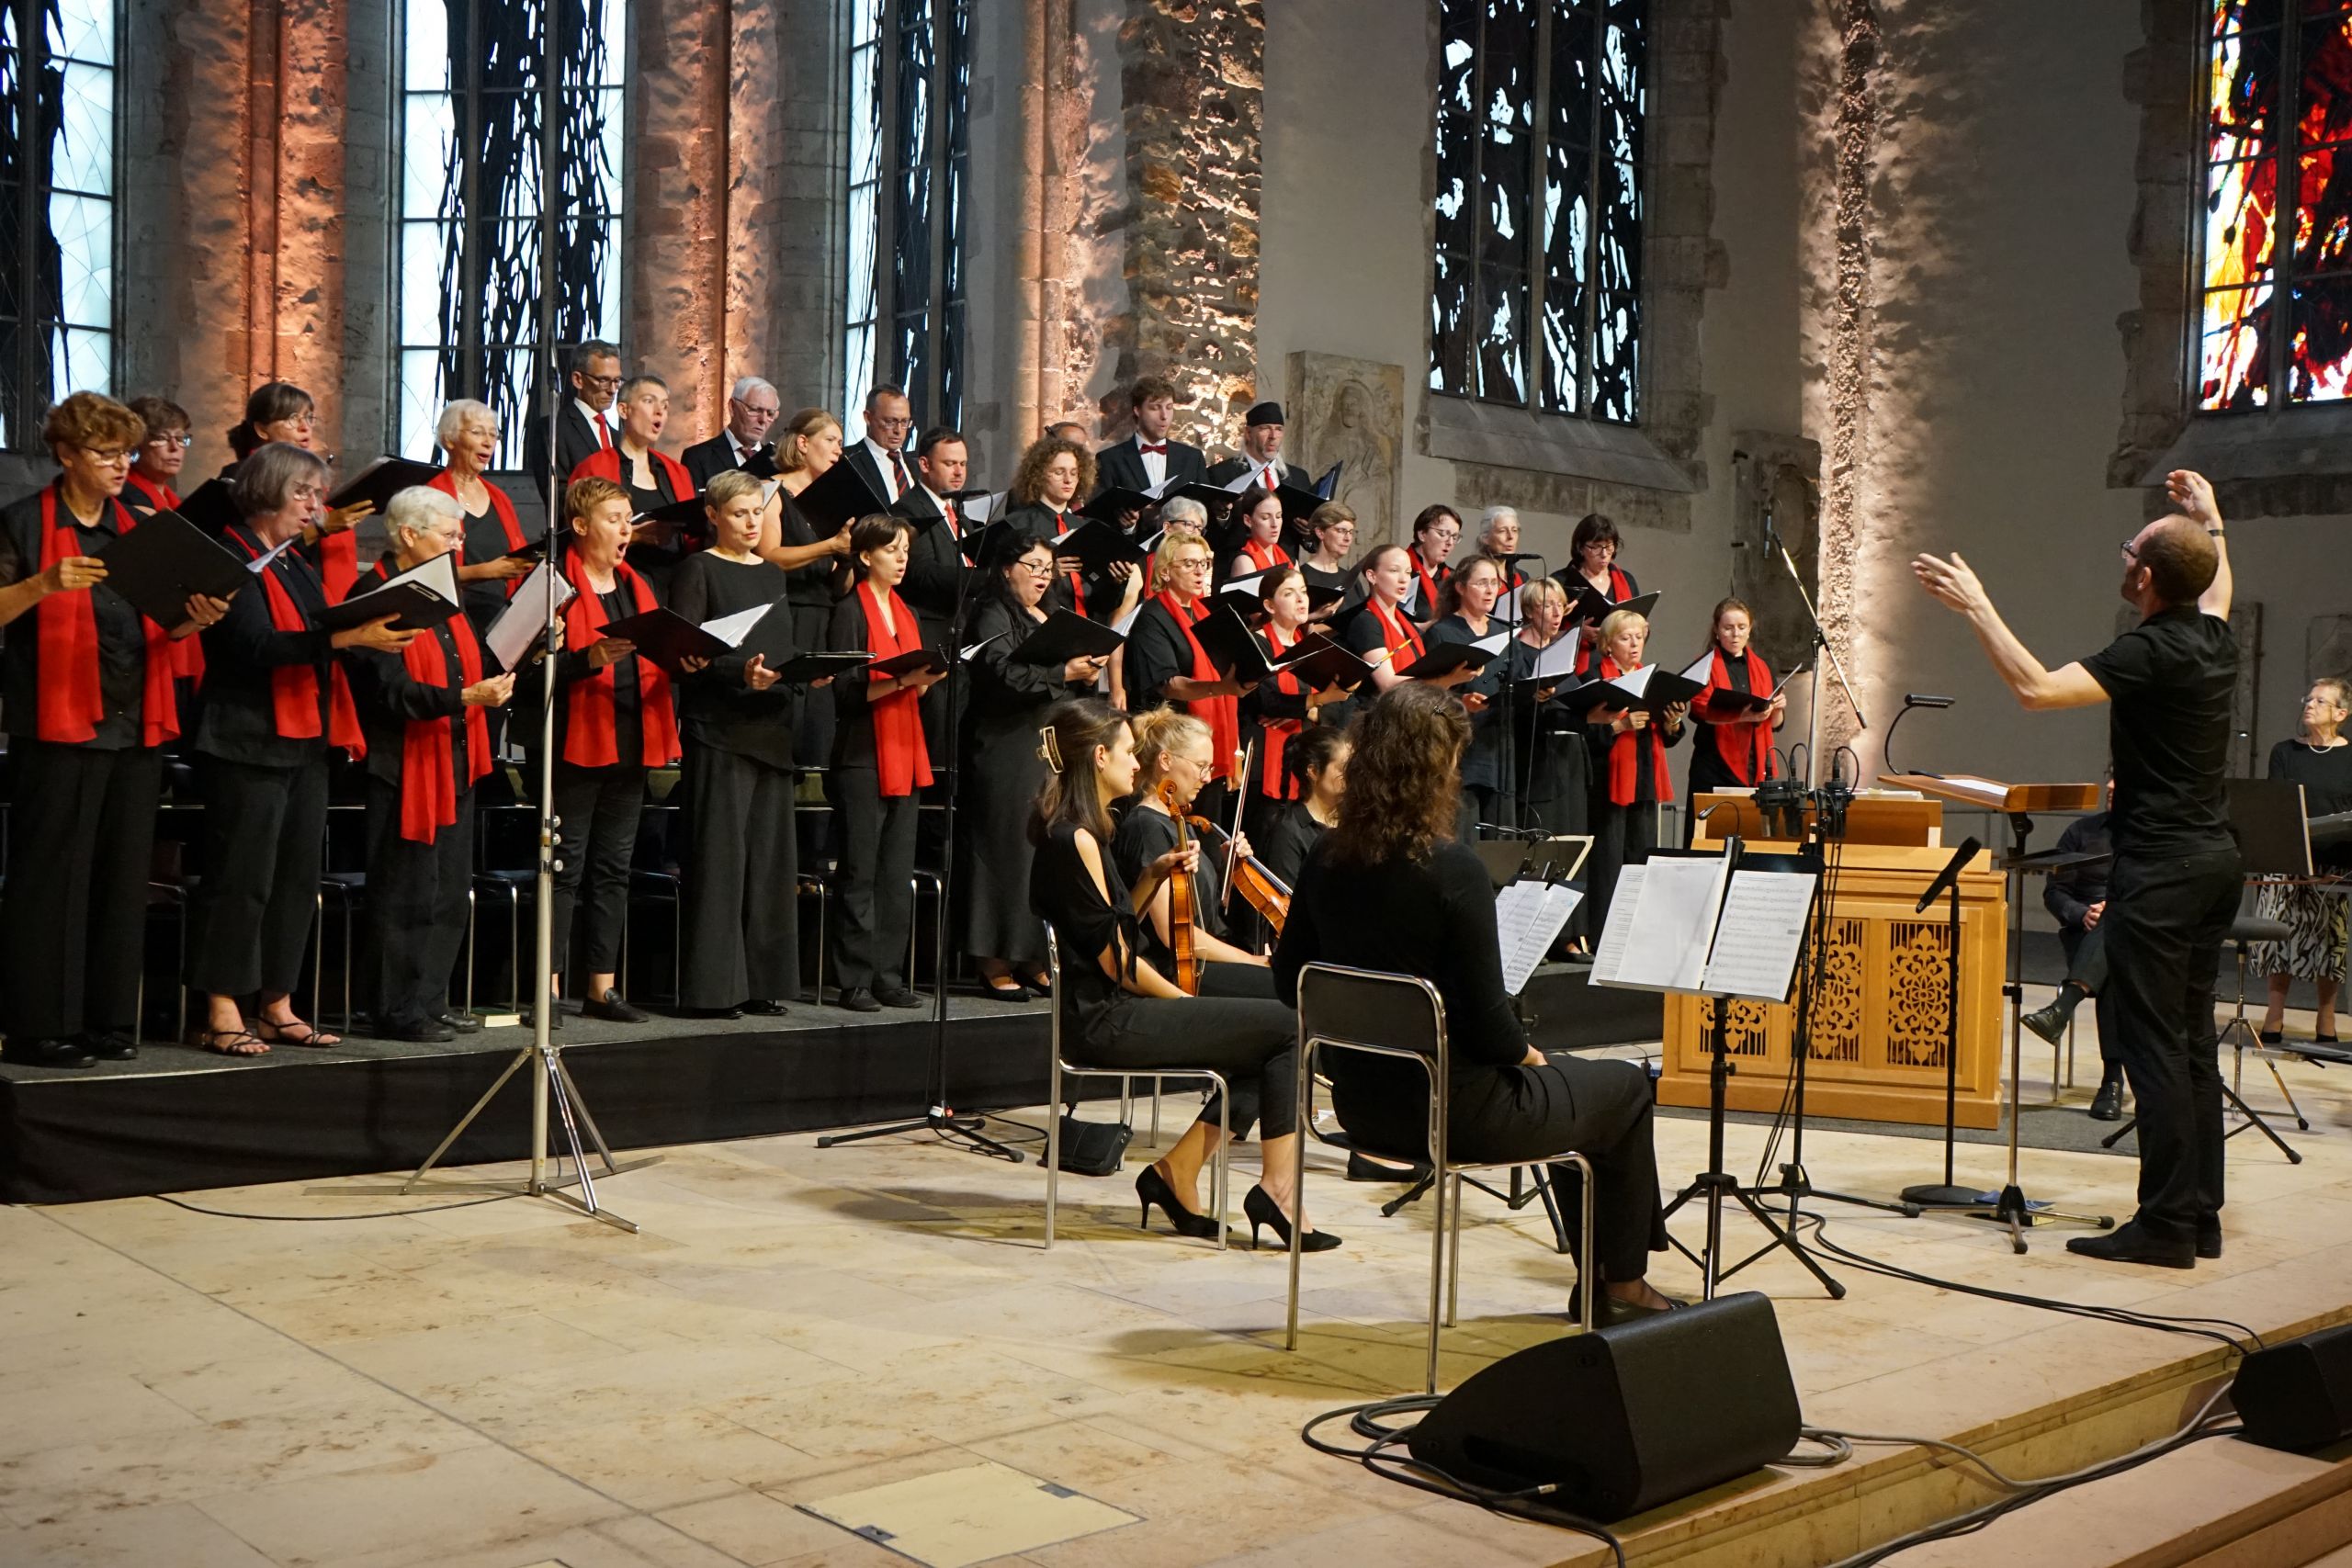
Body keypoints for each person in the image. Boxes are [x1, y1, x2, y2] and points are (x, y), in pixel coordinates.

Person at [1913, 468, 2238, 1269]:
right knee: (2192, 1042)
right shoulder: (2213, 636)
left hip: (2161, 870)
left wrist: (1977, 606)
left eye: (2132, 550)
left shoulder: (2151, 647)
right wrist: (2214, 521)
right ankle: (2197, 1214)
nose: (2123, 558)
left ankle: (2163, 1226)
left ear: (2146, 578)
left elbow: (2035, 689)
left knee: (2155, 1046)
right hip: (2215, 863)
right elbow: (2218, 581)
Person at [1272, 683, 1672, 1315]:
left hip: (1362, 1110)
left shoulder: (1325, 854)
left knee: (1576, 1079)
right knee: (1621, 1087)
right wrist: (1530, 1055)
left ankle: (1603, 1276)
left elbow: (1289, 977)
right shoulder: (1451, 868)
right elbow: (1490, 1029)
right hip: (1455, 1111)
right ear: (1436, 771)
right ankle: (1618, 1285)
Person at [1029, 698, 1330, 1250]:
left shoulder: (1084, 833)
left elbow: (1115, 931)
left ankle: (1179, 1173)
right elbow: (1118, 964)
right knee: (1287, 1027)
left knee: (1270, 1036)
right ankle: (1278, 1189)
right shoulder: (1074, 839)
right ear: (1099, 758)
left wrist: (1147, 878)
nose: (1135, 762)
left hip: (1110, 1007)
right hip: (1104, 1020)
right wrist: (1180, 1002)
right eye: (1126, 752)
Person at [0, 392, 227, 1069]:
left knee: (122, 878)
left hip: (134, 720)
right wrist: (45, 583)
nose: (121, 465)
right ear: (67, 454)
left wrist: (199, 617)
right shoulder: (23, 523)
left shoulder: (141, 522)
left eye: (126, 453)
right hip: (57, 721)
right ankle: (38, 1026)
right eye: (105, 454)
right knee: (52, 879)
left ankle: (106, 1018)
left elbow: (166, 622)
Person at [187, 444, 414, 1055]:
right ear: (265, 492)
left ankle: (277, 1003)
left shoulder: (292, 561)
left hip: (304, 739)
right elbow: (256, 646)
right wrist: (346, 635)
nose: (317, 506)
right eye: (304, 494)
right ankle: (222, 1006)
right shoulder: (231, 556)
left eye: (318, 494)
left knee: (293, 880)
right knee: (242, 880)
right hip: (244, 739)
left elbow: (314, 628)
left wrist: (358, 629)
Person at [343, 488, 514, 1042]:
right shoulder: (374, 592)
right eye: (449, 534)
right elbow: (389, 692)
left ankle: (430, 998)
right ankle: (395, 1009)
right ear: (410, 535)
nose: (459, 543)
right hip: (405, 761)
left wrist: (525, 648)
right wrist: (463, 700)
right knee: (403, 893)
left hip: (454, 755)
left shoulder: (441, 588)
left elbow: (469, 661)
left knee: (446, 890)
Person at [670, 470, 821, 1019]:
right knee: (722, 863)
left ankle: (762, 983)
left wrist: (802, 673)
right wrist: (741, 674)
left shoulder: (772, 575)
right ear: (713, 515)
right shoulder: (699, 569)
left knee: (769, 865)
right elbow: (686, 656)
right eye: (740, 513)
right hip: (722, 729)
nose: (753, 522)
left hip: (772, 729)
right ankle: (713, 990)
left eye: (758, 512)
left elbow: (777, 648)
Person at [544, 476, 686, 1026]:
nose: (626, 529)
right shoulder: (554, 584)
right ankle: (550, 986)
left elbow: (657, 651)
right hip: (576, 743)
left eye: (629, 519)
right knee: (565, 866)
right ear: (580, 527)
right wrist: (587, 658)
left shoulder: (638, 585)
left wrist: (685, 659)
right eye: (613, 519)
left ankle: (601, 986)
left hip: (633, 739)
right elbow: (526, 671)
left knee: (612, 868)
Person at [961, 535, 1108, 998]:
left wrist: (1084, 669)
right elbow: (999, 674)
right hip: (1005, 746)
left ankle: (1030, 955)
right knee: (1005, 851)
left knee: (1039, 851)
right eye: (1034, 566)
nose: (1044, 576)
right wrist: (1062, 673)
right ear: (1007, 569)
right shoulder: (993, 612)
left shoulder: (1048, 616)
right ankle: (993, 959)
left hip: (1044, 745)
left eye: (1049, 568)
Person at [828, 513, 951, 1011]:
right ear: (865, 556)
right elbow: (846, 690)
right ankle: (853, 978)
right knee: (860, 870)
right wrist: (902, 681)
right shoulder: (848, 609)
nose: (902, 559)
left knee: (896, 871)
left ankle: (888, 973)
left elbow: (910, 686)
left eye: (905, 550)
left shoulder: (906, 611)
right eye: (892, 550)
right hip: (861, 752)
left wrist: (923, 680)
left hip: (906, 749)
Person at [1114, 709, 1272, 993]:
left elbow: (1204, 913)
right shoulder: (1147, 826)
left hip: (1202, 961)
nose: (1206, 778)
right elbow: (1173, 935)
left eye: (1209, 768)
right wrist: (1252, 961)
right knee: (1287, 992)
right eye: (1201, 766)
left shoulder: (1177, 821)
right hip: (1176, 971)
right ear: (1165, 760)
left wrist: (1233, 869)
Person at [1124, 531, 1254, 822]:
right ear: (1166, 571)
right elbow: (1168, 685)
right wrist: (1220, 687)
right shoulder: (1152, 616)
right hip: (1172, 745)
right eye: (1189, 564)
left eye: (1204, 564)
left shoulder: (1207, 614)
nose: (1199, 571)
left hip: (1207, 744)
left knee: (1206, 832)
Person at [755, 407, 856, 773]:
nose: (838, 452)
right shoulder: (771, 490)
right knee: (785, 725)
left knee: (817, 735)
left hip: (823, 620)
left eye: (841, 444)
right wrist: (829, 547)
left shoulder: (832, 503)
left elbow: (839, 585)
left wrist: (847, 560)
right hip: (786, 615)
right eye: (830, 441)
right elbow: (769, 555)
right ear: (802, 442)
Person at [2020, 777, 2127, 1121]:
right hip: (2084, 934)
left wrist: (2115, 908)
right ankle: (2112, 1081)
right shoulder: (2081, 831)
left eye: (2121, 779)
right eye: (2111, 779)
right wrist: (2082, 914)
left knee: (2119, 919)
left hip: (2135, 932)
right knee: (2112, 969)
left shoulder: (2154, 839)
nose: (2111, 785)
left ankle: (2062, 1009)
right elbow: (2054, 892)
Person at [2252, 678, 2352, 1044]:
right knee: (2279, 938)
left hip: (2335, 862)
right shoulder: (2285, 752)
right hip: (2288, 859)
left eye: (2320, 701)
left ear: (2341, 713)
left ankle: (2326, 1020)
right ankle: (2274, 1014)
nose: (2309, 704)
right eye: (2308, 698)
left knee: (2330, 941)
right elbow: (2276, 803)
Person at [1583, 608, 1685, 942]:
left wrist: (1672, 723)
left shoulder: (1650, 678)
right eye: (1626, 637)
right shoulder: (1596, 678)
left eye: (1639, 637)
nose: (1634, 643)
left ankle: (1636, 934)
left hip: (1644, 776)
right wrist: (1618, 726)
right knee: (1609, 860)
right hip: (1608, 779)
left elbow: (1665, 736)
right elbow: (1583, 736)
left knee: (1641, 858)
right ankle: (1604, 936)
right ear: (1608, 644)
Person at [225, 383, 373, 601]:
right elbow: (257, 546)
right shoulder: (241, 476)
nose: (305, 427)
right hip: (266, 589)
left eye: (309, 417)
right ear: (262, 430)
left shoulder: (308, 475)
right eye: (293, 418)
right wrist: (322, 527)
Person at [1241, 567, 1347, 842]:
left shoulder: (1311, 645)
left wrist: (1305, 709)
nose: (1301, 599)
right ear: (1269, 605)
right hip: (1263, 763)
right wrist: (1313, 703)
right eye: (1289, 593)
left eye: (1303, 592)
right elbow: (1265, 701)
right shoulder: (1257, 643)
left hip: (1303, 760)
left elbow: (1336, 707)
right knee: (1264, 841)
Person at [570, 374, 697, 585]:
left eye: (665, 406)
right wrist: (635, 536)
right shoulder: (595, 468)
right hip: (621, 582)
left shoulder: (677, 472)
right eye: (649, 401)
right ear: (623, 410)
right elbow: (579, 535)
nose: (660, 411)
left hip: (676, 583)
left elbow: (691, 536)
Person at [426, 400, 537, 636]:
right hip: (447, 621)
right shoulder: (430, 495)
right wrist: (487, 571)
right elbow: (424, 574)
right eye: (477, 433)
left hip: (500, 620)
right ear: (449, 439)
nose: (488, 442)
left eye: (493, 434)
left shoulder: (499, 498)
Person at [1502, 577, 1590, 838]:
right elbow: (1516, 709)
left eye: (1560, 605)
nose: (1556, 613)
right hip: (1537, 769)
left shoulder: (1561, 652)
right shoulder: (1515, 651)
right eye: (1548, 605)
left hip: (1570, 766)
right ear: (1529, 611)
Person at [1340, 543, 1481, 701]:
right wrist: (1447, 679)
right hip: (1380, 716)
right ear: (1372, 576)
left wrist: (1460, 699)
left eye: (1408, 572)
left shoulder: (1406, 623)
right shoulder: (1366, 622)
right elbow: (1388, 685)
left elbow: (1423, 676)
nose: (1403, 579)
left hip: (1410, 712)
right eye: (1394, 571)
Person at [1428, 555, 1509, 831]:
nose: (1490, 591)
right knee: (1463, 828)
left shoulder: (1504, 632)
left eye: (1495, 584)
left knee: (1500, 837)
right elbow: (1425, 692)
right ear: (1461, 588)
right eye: (1482, 583)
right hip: (1460, 748)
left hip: (1499, 747)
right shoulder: (1444, 632)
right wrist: (1460, 701)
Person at [1686, 597, 1786, 804]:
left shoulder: (1763, 667)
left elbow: (1775, 725)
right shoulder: (1703, 666)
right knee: (1709, 832)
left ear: (1749, 629)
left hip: (1753, 764)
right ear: (1716, 630)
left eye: (1742, 627)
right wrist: (1741, 716)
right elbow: (1699, 711)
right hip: (1714, 765)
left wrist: (1777, 708)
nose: (1736, 634)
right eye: (1728, 628)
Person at [1001, 434, 1097, 614]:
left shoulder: (1084, 527)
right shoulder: (1018, 524)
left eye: (1074, 473)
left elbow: (1100, 599)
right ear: (1038, 475)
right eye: (1059, 472)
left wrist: (1116, 583)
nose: (1069, 480)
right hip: (1039, 622)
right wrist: (1049, 573)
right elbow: (1006, 586)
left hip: (1087, 625)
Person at [524, 339, 624, 499]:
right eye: (603, 380)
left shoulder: (618, 438)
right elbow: (558, 496)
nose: (612, 390)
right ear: (578, 380)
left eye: (617, 381)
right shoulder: (553, 429)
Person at [1259, 727, 1349, 889]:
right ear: (1313, 771)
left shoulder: (1354, 821)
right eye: (1343, 769)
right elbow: (1287, 902)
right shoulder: (1288, 830)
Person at [1094, 375, 1207, 495]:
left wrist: (1223, 513)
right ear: (1137, 410)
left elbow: (1207, 508)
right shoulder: (1110, 460)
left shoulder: (1193, 458)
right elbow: (1101, 511)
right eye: (1155, 408)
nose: (1164, 416)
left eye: (1169, 408)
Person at [682, 375, 782, 490]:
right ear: (732, 407)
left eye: (770, 414)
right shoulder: (698, 457)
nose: (763, 420)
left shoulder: (778, 461)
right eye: (754, 410)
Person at [1566, 513, 1637, 671]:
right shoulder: (1562, 581)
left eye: (1609, 546)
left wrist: (1641, 628)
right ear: (1580, 547)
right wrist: (1576, 633)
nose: (1604, 554)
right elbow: (1541, 632)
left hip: (1619, 664)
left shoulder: (1627, 580)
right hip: (1578, 665)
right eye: (1596, 547)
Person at [1205, 401, 1311, 493]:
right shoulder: (1221, 475)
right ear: (1248, 433)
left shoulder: (1299, 478)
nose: (1273, 436)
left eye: (1279, 429)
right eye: (1265, 429)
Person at [841, 385, 918, 505]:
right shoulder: (846, 461)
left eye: (904, 422)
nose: (898, 430)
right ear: (868, 418)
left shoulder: (916, 468)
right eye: (890, 421)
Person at [123, 395, 191, 513]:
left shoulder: (171, 499)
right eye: (161, 438)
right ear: (135, 443)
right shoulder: (126, 495)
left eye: (180, 438)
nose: (174, 447)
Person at [1405, 504, 1461, 624]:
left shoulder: (1454, 578)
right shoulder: (1400, 573)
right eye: (1443, 534)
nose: (1450, 542)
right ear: (1422, 534)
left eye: (1455, 537)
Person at [1222, 484, 1292, 580]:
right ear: (1248, 521)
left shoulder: (1288, 557)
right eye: (1265, 518)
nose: (1275, 524)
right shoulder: (1244, 561)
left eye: (1278, 516)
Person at [1296, 501, 1356, 605]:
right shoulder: (1301, 577)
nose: (1348, 538)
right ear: (1320, 532)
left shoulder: (1350, 579)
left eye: (1350, 532)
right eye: (1341, 531)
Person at [1476, 505, 1527, 589]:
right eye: (1502, 531)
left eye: (1514, 530)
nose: (1510, 537)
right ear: (1485, 538)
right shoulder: (1475, 575)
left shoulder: (1522, 577)